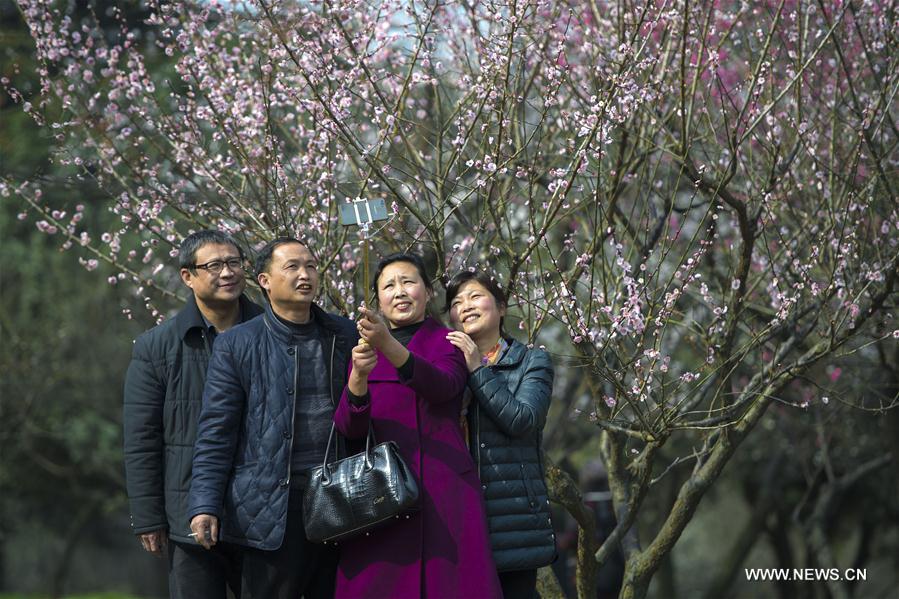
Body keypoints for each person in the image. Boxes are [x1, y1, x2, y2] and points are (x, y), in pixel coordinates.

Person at [187, 237, 357, 599]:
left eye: (310, 266)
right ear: (264, 281)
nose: (305, 274)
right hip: (271, 509)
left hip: (338, 499)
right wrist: (204, 505)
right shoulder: (237, 344)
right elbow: (216, 432)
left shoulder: (345, 335)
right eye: (292, 267)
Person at [334, 252, 502, 598]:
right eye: (389, 286)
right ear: (377, 299)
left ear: (427, 292)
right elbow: (350, 428)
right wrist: (358, 380)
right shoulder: (363, 350)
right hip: (380, 499)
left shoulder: (448, 342)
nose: (400, 292)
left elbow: (443, 387)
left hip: (444, 494)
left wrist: (389, 346)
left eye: (409, 282)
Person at [123, 229, 263, 599]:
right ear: (188, 276)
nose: (228, 273)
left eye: (234, 262)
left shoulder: (272, 332)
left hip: (263, 511)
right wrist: (149, 517)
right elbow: (141, 439)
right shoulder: (156, 347)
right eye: (214, 265)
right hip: (189, 514)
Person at [445, 269, 556, 599]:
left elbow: (522, 419)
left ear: (502, 307)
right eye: (456, 302)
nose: (465, 305)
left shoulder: (532, 362)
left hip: (513, 521)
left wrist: (478, 369)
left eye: (476, 296)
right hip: (456, 515)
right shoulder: (444, 367)